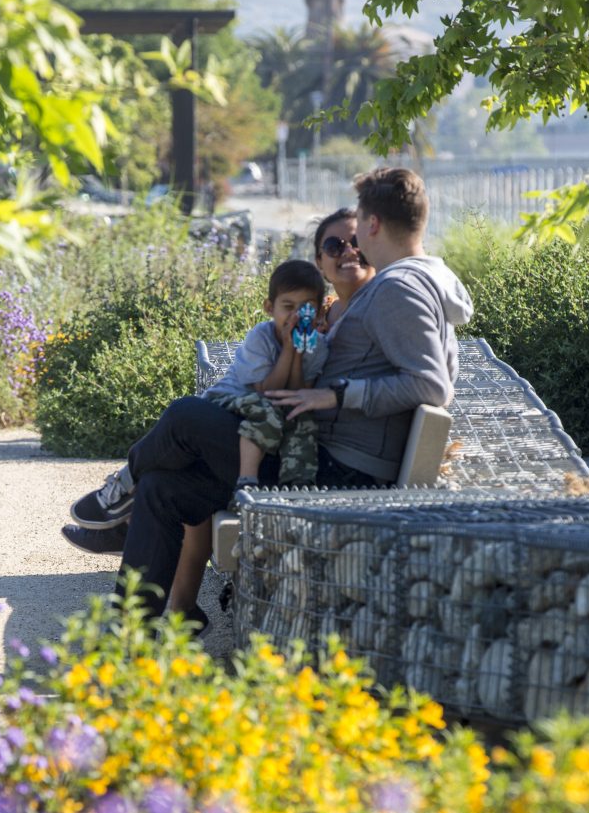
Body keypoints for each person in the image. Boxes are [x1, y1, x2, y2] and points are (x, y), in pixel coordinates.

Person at [62, 170, 474, 626]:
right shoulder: (409, 282)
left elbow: (431, 385)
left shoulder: (398, 288)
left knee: (185, 416)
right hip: (322, 458)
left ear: (372, 223)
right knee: (163, 489)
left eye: (358, 225)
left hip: (338, 473)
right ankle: (132, 632)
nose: (354, 242)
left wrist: (336, 394)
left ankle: (119, 493)